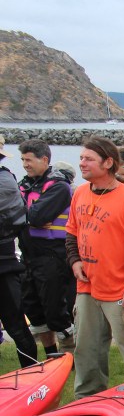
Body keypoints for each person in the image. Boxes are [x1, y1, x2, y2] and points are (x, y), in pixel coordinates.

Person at [65, 136, 124, 398]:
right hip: (87, 288)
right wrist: (74, 262)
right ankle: (87, 402)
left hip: (121, 291)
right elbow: (72, 233)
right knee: (86, 350)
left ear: (108, 163)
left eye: (88, 159)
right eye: (81, 157)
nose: (82, 163)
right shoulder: (80, 193)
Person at [17, 138, 76, 356]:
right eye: (23, 159)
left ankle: (69, 353)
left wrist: (23, 214)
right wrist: (26, 216)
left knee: (56, 310)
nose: (25, 164)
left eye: (29, 160)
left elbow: (36, 215)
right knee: (34, 309)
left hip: (52, 256)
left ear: (44, 159)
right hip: (29, 256)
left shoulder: (59, 187)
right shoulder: (25, 184)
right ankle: (51, 353)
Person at [0, 136, 37, 367]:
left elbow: (14, 219)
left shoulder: (4, 180)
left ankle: (32, 374)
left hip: (4, 266)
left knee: (16, 325)